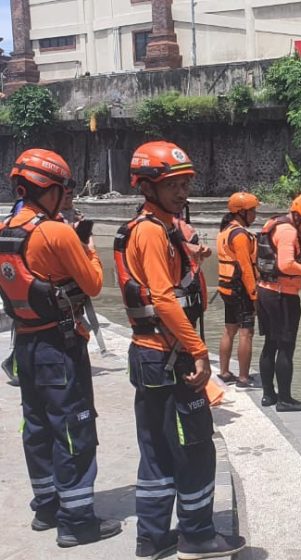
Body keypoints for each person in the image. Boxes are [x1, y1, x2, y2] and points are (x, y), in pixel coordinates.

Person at [114, 141, 245, 559]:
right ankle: (198, 535)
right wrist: (199, 351)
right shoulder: (152, 231)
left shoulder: (151, 227)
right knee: (194, 448)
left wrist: (192, 253)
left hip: (150, 355)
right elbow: (165, 299)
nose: (182, 192)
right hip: (170, 357)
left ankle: (152, 537)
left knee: (156, 449)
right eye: (173, 185)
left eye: (186, 183)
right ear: (147, 186)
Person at [0, 149, 120, 547]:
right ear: (48, 189)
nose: (66, 196)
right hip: (59, 344)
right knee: (74, 427)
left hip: (26, 343)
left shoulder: (7, 228)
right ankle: (77, 519)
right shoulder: (56, 231)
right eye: (63, 189)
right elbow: (94, 285)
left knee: (36, 426)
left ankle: (47, 505)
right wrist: (85, 245)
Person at [256, 194, 301, 412]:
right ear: (297, 216)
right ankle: (285, 399)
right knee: (286, 346)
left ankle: (268, 395)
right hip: (282, 296)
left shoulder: (273, 224)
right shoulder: (289, 231)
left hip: (266, 291)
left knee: (270, 344)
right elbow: (285, 265)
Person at [216, 192, 260, 388]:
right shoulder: (240, 235)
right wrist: (254, 294)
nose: (255, 215)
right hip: (240, 288)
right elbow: (245, 268)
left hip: (226, 287)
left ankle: (224, 372)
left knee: (229, 329)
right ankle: (243, 377)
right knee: (246, 333)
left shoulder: (225, 231)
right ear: (242, 212)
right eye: (253, 211)